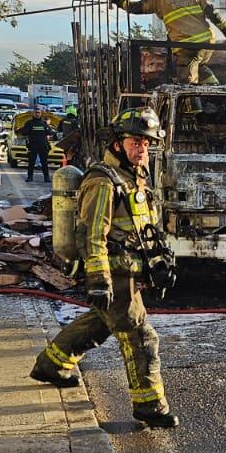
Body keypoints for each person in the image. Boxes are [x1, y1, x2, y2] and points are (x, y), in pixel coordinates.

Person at [29, 108, 178, 429]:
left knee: (101, 323)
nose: (142, 149)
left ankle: (52, 364)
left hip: (131, 271)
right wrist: (98, 280)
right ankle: (149, 404)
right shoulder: (103, 182)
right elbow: (92, 234)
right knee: (141, 337)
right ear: (117, 143)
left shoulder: (134, 178)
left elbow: (144, 228)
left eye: (147, 144)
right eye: (136, 141)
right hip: (113, 273)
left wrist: (159, 263)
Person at [110, 0, 226, 85]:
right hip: (207, 43)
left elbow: (136, 8)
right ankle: (217, 94)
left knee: (185, 83)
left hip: (188, 46)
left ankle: (194, 107)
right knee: (199, 67)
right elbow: (213, 14)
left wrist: (119, 1)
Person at [21, 104, 55, 182]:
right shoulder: (29, 123)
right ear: (33, 113)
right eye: (36, 112)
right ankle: (30, 177)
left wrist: (49, 129)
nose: (37, 114)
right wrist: (27, 130)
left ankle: (46, 178)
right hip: (33, 146)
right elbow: (24, 132)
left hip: (42, 146)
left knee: (44, 163)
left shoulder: (44, 123)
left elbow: (50, 132)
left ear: (41, 113)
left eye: (38, 112)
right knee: (31, 162)